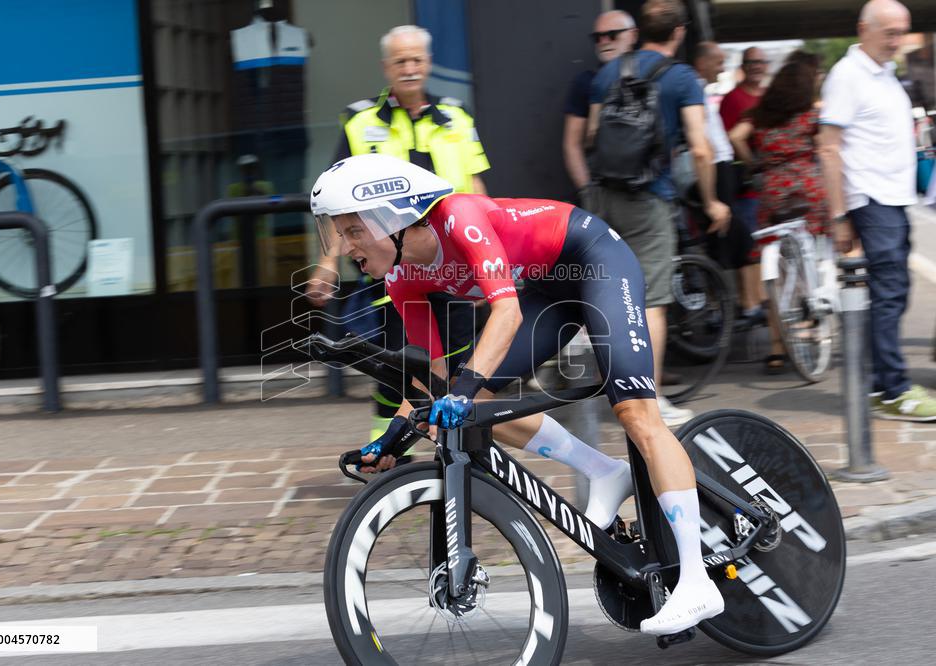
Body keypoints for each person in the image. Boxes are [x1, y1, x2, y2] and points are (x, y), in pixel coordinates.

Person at [311, 152, 726, 635]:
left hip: (594, 262)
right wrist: (393, 436)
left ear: (394, 216)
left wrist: (462, 390)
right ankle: (605, 472)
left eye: (353, 231)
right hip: (547, 290)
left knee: (635, 414)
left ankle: (697, 581)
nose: (344, 248)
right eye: (338, 233)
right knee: (468, 408)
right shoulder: (402, 278)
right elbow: (432, 380)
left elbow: (505, 315)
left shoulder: (460, 218)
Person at [306, 25, 491, 440]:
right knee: (401, 359)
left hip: (455, 258)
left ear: (427, 64)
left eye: (417, 60)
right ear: (386, 67)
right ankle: (389, 450)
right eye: (400, 61)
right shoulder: (360, 122)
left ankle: (468, 453)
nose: (409, 69)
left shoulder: (457, 118)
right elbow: (340, 208)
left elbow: (477, 190)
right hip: (392, 265)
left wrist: (489, 261)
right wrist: (327, 262)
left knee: (462, 361)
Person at [587, 0, 731, 427]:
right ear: (679, 32)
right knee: (651, 299)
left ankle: (605, 386)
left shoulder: (608, 72)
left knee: (605, 292)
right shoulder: (682, 78)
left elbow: (593, 135)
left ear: (638, 31)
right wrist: (711, 201)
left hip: (602, 194)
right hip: (648, 197)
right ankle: (648, 401)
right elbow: (701, 147)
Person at [819, 0, 936, 420]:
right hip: (872, 200)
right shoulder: (848, 75)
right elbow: (829, 148)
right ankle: (893, 390)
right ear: (863, 28)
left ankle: (878, 384)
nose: (897, 40)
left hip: (893, 198)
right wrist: (839, 216)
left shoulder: (885, 74)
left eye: (902, 31)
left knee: (894, 293)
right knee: (888, 295)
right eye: (889, 32)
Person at [729, 57, 831, 374]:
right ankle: (815, 311)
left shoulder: (761, 114)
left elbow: (734, 136)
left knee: (781, 274)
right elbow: (828, 145)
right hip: (807, 191)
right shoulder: (811, 114)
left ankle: (775, 350)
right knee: (815, 257)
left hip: (772, 193)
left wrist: (754, 163)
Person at [562, 10, 638, 211]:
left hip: (646, 196)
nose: (604, 41)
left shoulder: (651, 77)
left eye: (612, 34)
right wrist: (588, 193)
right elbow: (572, 144)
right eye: (597, 37)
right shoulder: (586, 82)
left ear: (633, 35)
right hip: (603, 192)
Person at [690, 41, 754, 273]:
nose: (722, 68)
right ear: (701, 63)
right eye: (718, 63)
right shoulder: (693, 91)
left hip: (720, 166)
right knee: (727, 236)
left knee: (727, 234)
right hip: (714, 167)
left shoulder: (699, 91)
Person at [720, 47, 768, 328]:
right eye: (752, 63)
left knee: (761, 245)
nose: (757, 67)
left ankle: (760, 301)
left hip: (764, 187)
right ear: (743, 66)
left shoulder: (765, 97)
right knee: (749, 245)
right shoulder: (732, 99)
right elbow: (728, 142)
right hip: (744, 186)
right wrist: (752, 164)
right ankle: (751, 303)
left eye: (761, 62)